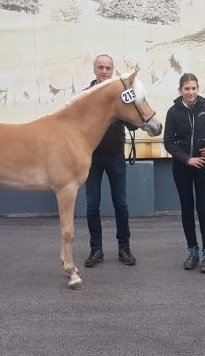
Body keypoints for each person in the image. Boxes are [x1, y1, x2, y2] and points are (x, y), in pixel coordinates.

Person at [163, 73, 205, 273]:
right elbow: (169, 143)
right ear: (180, 90)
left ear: (198, 89)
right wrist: (187, 159)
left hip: (203, 167)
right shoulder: (173, 112)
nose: (190, 92)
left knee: (203, 209)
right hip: (182, 168)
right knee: (187, 210)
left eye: (194, 88)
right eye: (187, 88)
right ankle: (192, 252)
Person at [83, 54, 136, 268]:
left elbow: (133, 124)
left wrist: (131, 104)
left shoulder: (122, 95)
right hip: (92, 157)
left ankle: (124, 248)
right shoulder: (84, 96)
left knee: (120, 204)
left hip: (115, 156)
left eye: (107, 68)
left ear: (113, 70)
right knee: (92, 205)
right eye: (100, 67)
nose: (104, 71)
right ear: (94, 69)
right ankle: (96, 250)